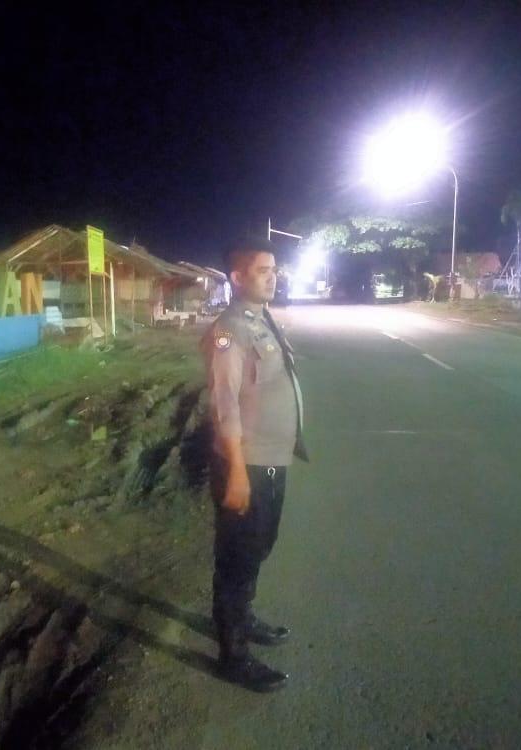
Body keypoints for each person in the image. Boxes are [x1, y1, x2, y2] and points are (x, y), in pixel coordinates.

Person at [200, 237, 307, 692]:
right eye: (263, 270)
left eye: (274, 269)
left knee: (258, 546)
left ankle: (241, 618)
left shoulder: (261, 319)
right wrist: (238, 473)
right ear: (237, 277)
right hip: (248, 464)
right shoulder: (229, 330)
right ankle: (233, 655)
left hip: (271, 461)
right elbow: (225, 404)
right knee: (238, 557)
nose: (272, 276)